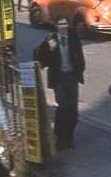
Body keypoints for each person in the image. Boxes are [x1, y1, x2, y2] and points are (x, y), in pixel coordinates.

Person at [35, 16, 85, 150]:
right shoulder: (50, 40)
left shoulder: (73, 39)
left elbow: (80, 57)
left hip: (71, 77)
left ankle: (69, 138)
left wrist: (78, 71)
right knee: (63, 107)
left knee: (72, 110)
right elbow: (39, 58)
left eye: (65, 24)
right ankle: (58, 137)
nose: (63, 26)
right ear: (56, 26)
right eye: (60, 24)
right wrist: (49, 49)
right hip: (58, 78)